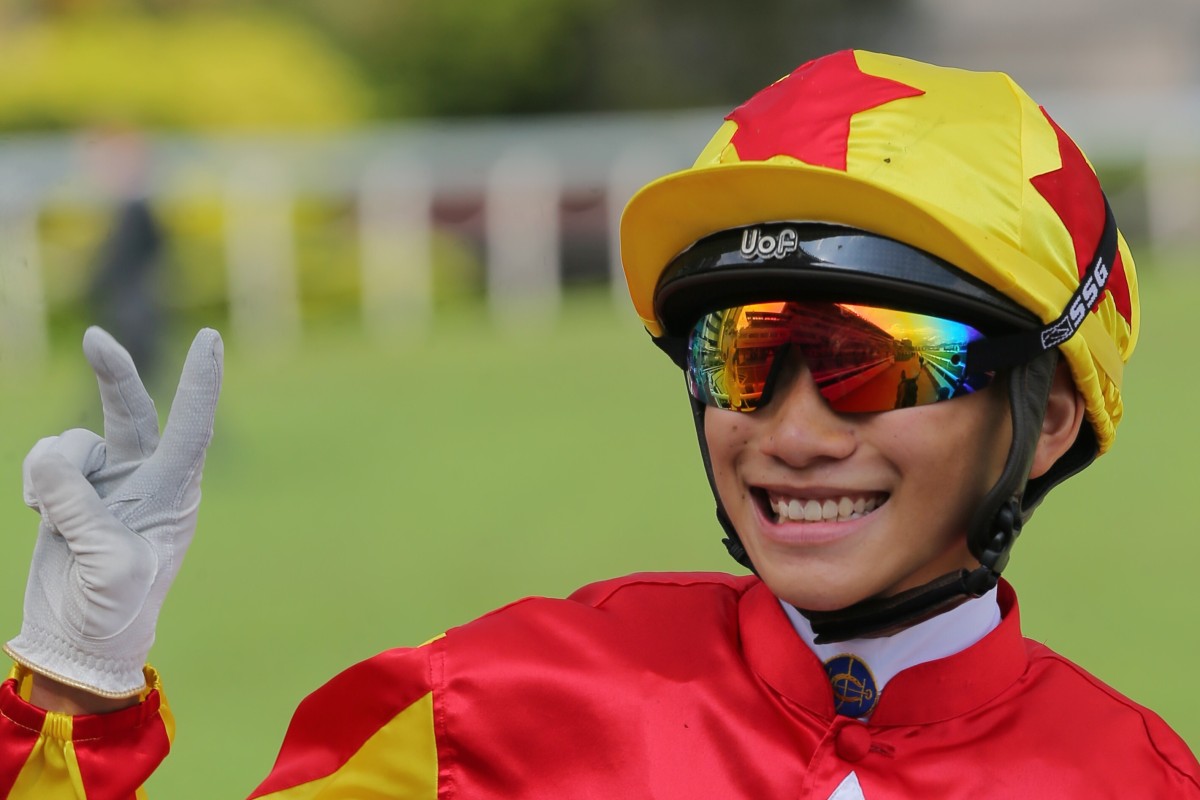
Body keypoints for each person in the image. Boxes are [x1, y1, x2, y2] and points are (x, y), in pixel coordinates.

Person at [2, 49, 1198, 798]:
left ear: (1045, 422)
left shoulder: (1135, 778)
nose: (789, 430)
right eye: (744, 355)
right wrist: (75, 689)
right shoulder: (487, 711)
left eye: (872, 364)